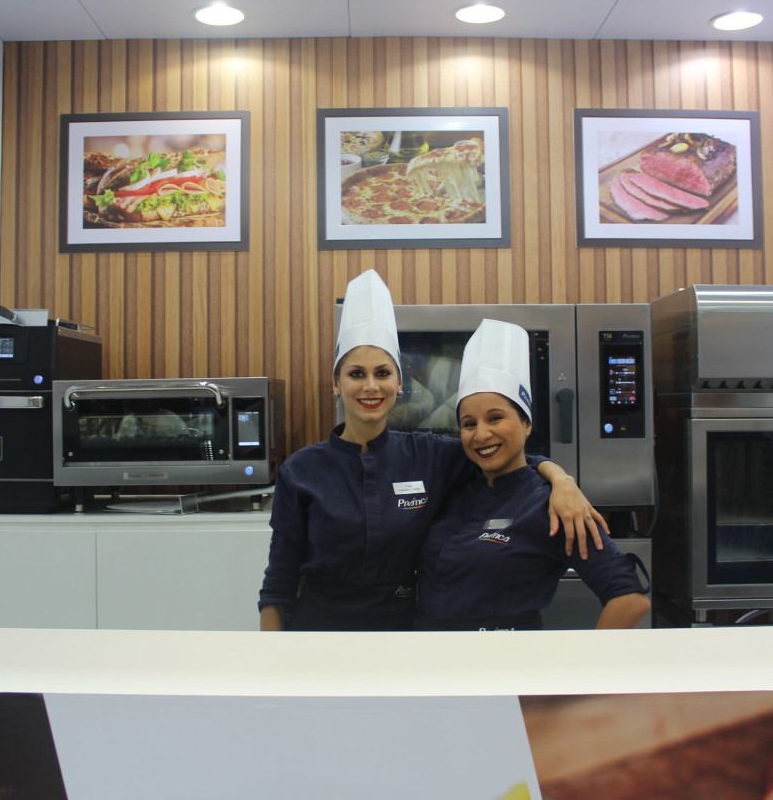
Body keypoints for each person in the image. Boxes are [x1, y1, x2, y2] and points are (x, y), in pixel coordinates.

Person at [259, 270, 606, 632]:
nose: (371, 386)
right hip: (319, 631)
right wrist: (270, 652)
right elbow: (278, 582)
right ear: (336, 383)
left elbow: (506, 457)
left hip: (404, 632)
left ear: (399, 382)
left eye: (382, 373)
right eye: (356, 374)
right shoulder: (301, 471)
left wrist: (560, 479)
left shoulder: (430, 456)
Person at [415, 318, 651, 631]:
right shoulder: (454, 483)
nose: (481, 434)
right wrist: (558, 474)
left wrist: (587, 661)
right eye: (469, 424)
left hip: (506, 658)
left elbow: (630, 599)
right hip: (429, 655)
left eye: (495, 418)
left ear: (526, 423)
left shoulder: (554, 505)